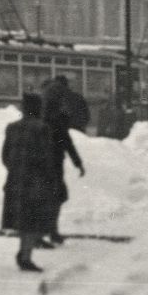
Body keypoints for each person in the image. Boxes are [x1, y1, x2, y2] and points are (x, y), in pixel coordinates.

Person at [1, 94, 83, 272]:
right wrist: (49, 178)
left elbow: (5, 156)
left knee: (23, 220)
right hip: (35, 181)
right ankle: (25, 258)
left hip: (15, 180)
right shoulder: (41, 128)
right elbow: (46, 157)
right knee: (32, 220)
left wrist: (15, 170)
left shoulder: (11, 128)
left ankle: (24, 253)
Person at [43, 92, 86, 245]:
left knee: (48, 198)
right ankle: (51, 231)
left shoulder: (43, 122)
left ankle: (47, 231)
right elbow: (68, 145)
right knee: (57, 197)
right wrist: (78, 163)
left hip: (42, 166)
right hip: (54, 166)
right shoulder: (58, 123)